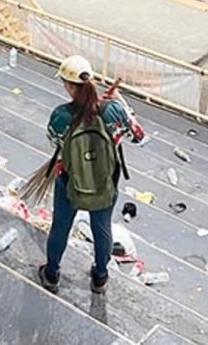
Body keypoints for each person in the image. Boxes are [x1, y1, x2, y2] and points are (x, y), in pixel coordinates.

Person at [39, 55, 145, 295]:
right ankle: (99, 278)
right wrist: (120, 103)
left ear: (68, 85)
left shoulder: (60, 116)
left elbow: (54, 142)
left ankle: (52, 273)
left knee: (61, 227)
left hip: (70, 183)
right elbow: (139, 136)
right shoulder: (113, 111)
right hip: (105, 183)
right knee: (102, 228)